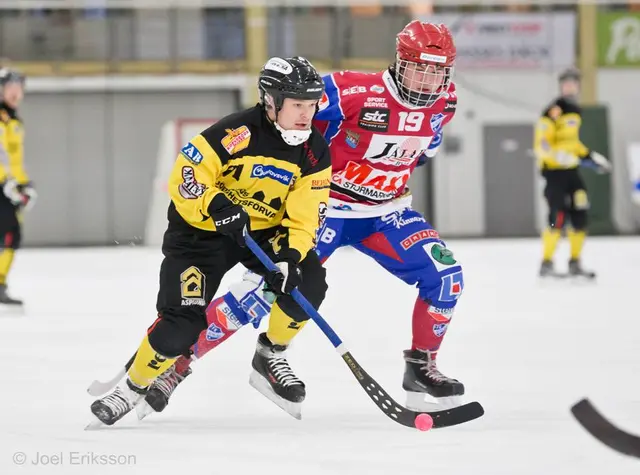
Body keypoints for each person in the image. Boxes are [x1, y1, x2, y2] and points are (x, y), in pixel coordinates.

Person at [140, 20, 467, 418]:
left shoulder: (445, 102)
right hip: (325, 207)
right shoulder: (351, 90)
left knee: (447, 278)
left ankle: (421, 366)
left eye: (437, 70)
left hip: (386, 213)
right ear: (400, 62)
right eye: (419, 67)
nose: (427, 79)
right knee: (267, 288)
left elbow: (422, 150)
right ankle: (177, 363)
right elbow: (283, 117)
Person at [89, 56, 332, 426]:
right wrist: (215, 203)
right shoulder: (237, 132)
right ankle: (134, 385)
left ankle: (271, 353)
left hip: (259, 234)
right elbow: (187, 173)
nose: (305, 114)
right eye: (298, 105)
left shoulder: (314, 151)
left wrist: (290, 257)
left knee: (307, 283)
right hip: (199, 235)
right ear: (271, 101)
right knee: (180, 327)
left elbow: (305, 216)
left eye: (311, 105)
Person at [535, 67, 611, 279]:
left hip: (571, 172)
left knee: (580, 209)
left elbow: (573, 143)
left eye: (573, 83)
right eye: (566, 83)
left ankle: (575, 261)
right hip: (554, 173)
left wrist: (590, 157)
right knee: (556, 216)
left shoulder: (575, 111)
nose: (570, 86)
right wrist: (556, 157)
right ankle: (546, 262)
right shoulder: (553, 110)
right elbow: (542, 143)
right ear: (561, 86)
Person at [0, 68, 36, 306]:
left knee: (12, 235)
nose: (15, 94)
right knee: (8, 233)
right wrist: (6, 182)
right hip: (2, 186)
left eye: (19, 89)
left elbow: (14, 160)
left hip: (8, 188)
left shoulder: (15, 122)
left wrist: (24, 185)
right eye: (10, 89)